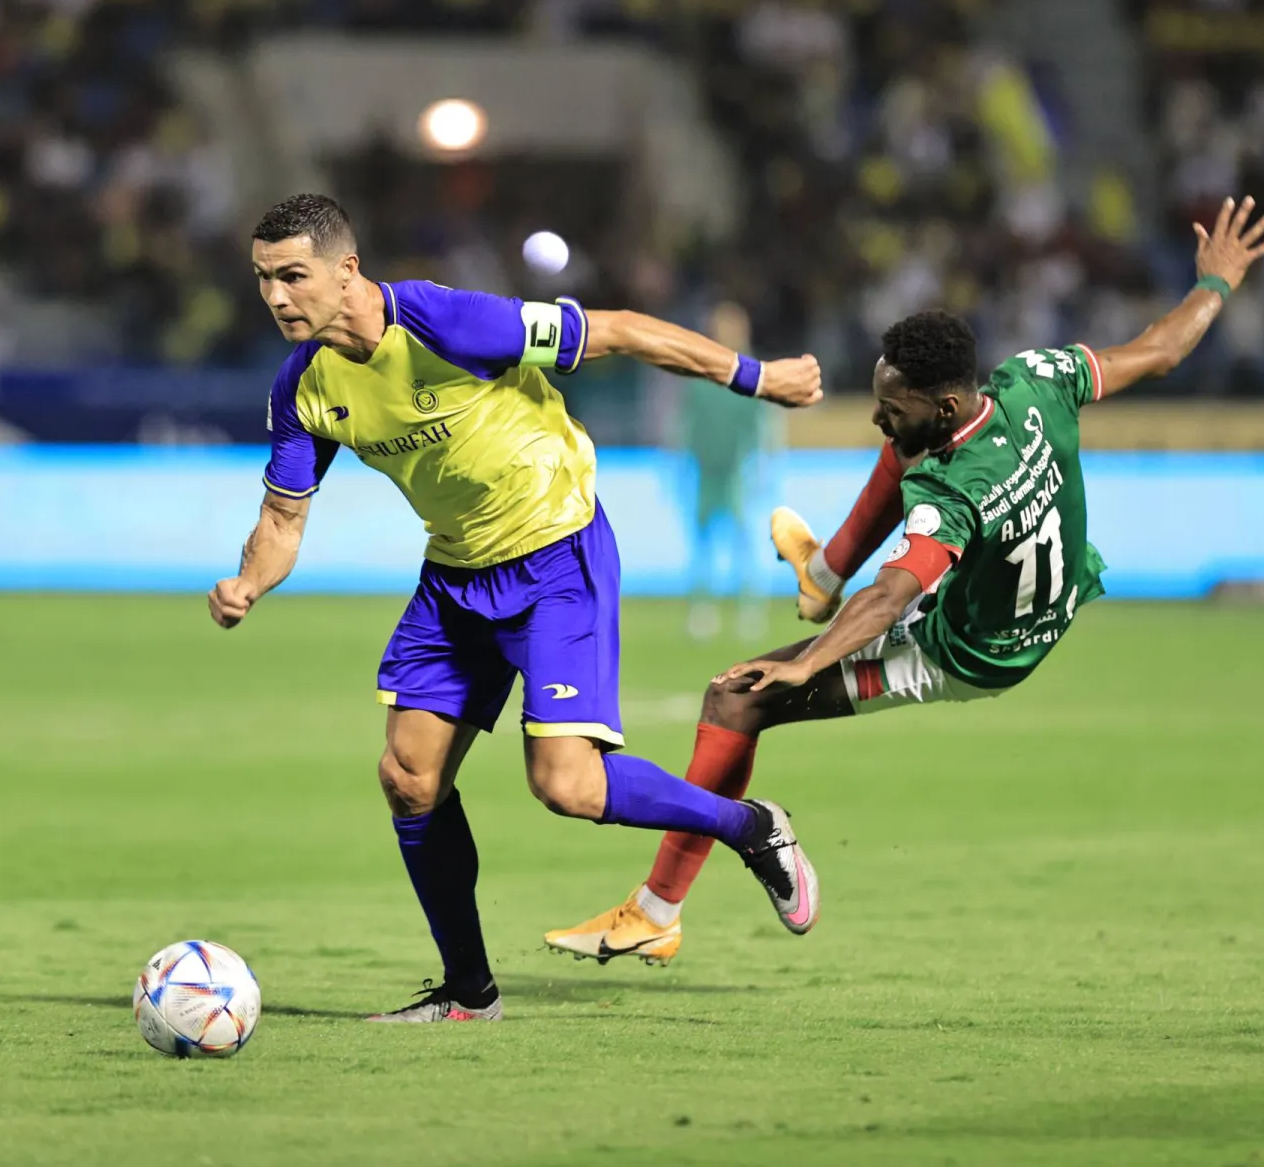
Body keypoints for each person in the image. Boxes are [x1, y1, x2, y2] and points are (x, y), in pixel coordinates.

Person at [545, 195, 1264, 966]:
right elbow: (1159, 351)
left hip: (965, 650)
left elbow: (896, 593)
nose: (876, 416)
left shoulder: (952, 492)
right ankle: (822, 572)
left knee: (736, 698)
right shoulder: (1038, 380)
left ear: (949, 401)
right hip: (1044, 606)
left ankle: (659, 909)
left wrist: (806, 659)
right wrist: (1216, 285)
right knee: (908, 453)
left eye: (892, 404)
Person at [206, 194, 825, 1021]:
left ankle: (749, 827)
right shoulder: (305, 387)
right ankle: (469, 994)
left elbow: (621, 330)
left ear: (346, 270)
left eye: (292, 276)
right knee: (408, 779)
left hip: (554, 558)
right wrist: (250, 581)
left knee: (566, 786)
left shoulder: (447, 324)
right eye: (263, 280)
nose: (277, 297)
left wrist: (758, 377)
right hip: (456, 577)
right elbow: (283, 518)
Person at [681, 300, 776, 641]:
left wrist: (763, 464)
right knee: (703, 543)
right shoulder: (703, 375)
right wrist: (680, 462)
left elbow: (764, 424)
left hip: (736, 470)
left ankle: (750, 608)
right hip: (707, 471)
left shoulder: (751, 374)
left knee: (741, 542)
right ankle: (702, 609)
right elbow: (687, 423)